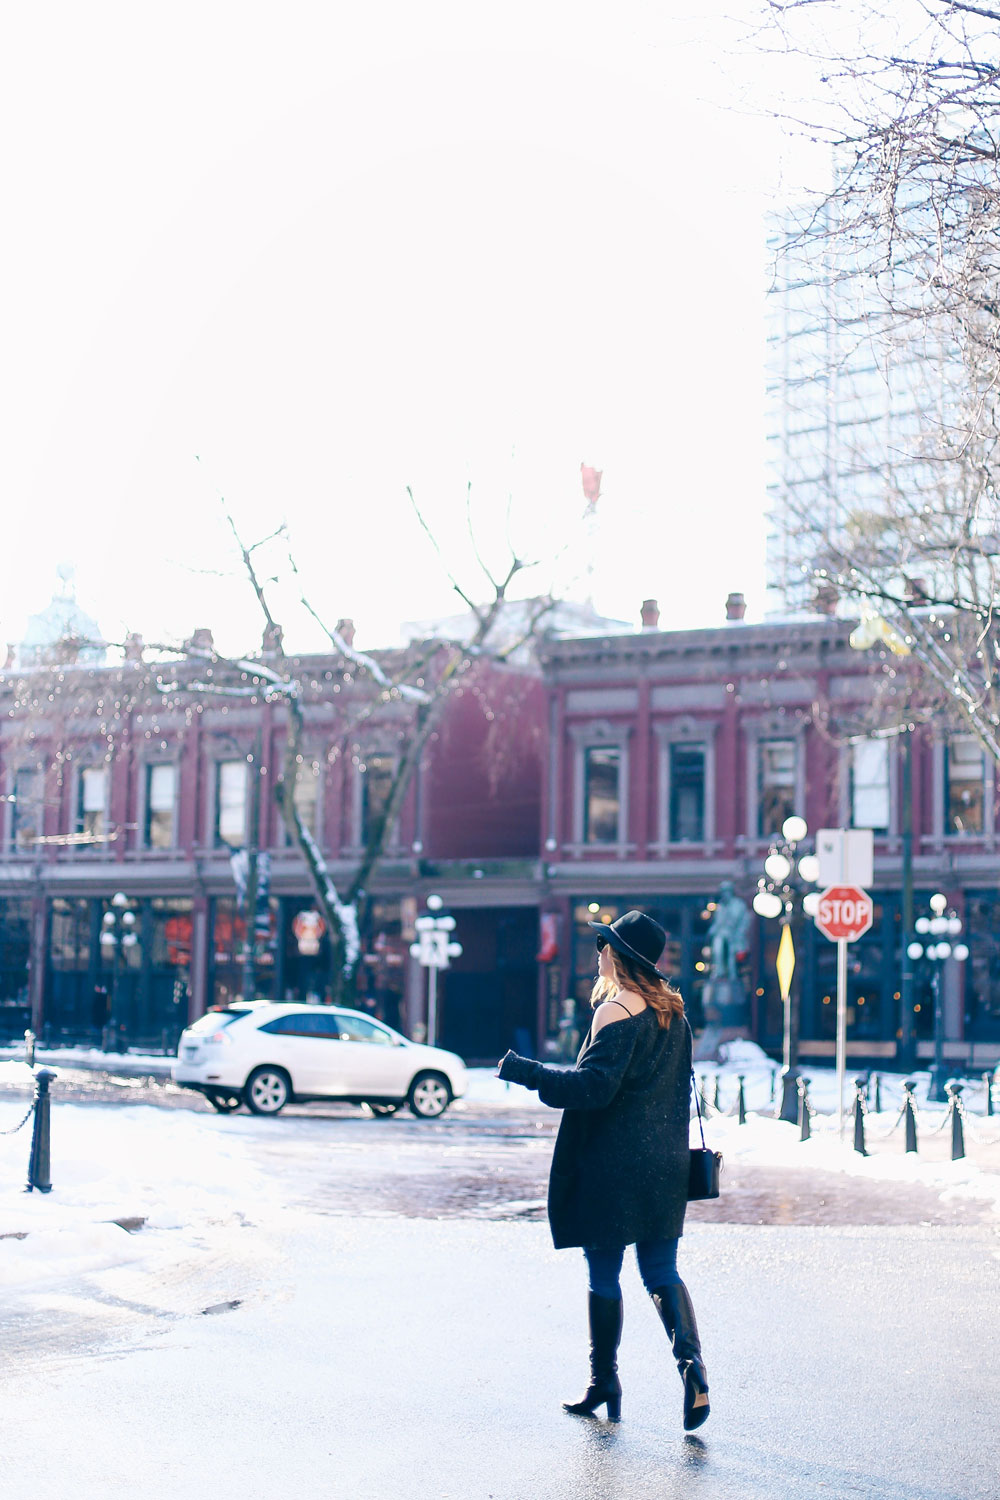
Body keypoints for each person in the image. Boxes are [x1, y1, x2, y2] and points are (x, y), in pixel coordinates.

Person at [497, 909, 709, 1431]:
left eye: (603, 946)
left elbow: (593, 1089)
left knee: (604, 1275)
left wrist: (525, 1071)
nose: (598, 954)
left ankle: (604, 1381)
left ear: (616, 956)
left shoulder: (615, 1011)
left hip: (613, 1167)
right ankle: (692, 1367)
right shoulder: (674, 1015)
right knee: (660, 1272)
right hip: (665, 1166)